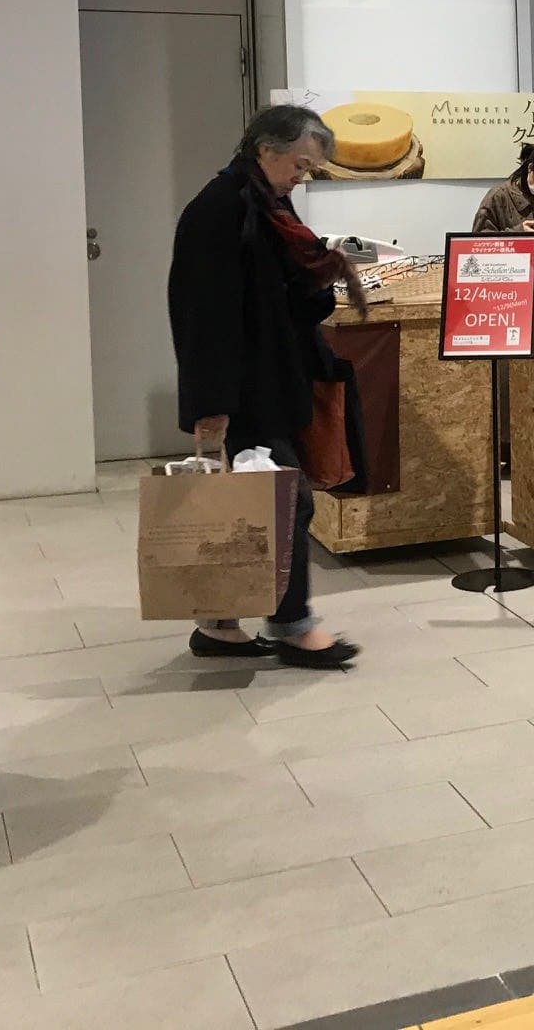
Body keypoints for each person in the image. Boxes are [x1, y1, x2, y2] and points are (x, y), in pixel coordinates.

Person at [168, 104, 362, 668]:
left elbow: (281, 294)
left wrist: (320, 273)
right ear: (265, 149)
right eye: (299, 165)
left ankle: (220, 624)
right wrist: (209, 406)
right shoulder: (219, 208)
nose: (302, 177)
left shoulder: (266, 204)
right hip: (242, 387)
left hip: (272, 378)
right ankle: (291, 624)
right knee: (285, 498)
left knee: (250, 503)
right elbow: (200, 314)